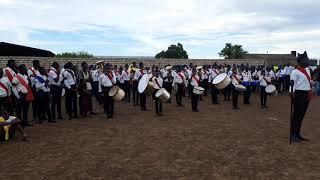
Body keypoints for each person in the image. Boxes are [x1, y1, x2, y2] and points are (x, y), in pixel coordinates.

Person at [290, 51, 312, 142]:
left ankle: (298, 133)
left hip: (306, 94)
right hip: (298, 94)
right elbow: (292, 84)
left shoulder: (307, 70)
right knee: (297, 115)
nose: (308, 61)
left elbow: (307, 82)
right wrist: (291, 92)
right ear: (301, 61)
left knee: (302, 115)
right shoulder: (295, 71)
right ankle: (293, 134)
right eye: (306, 59)